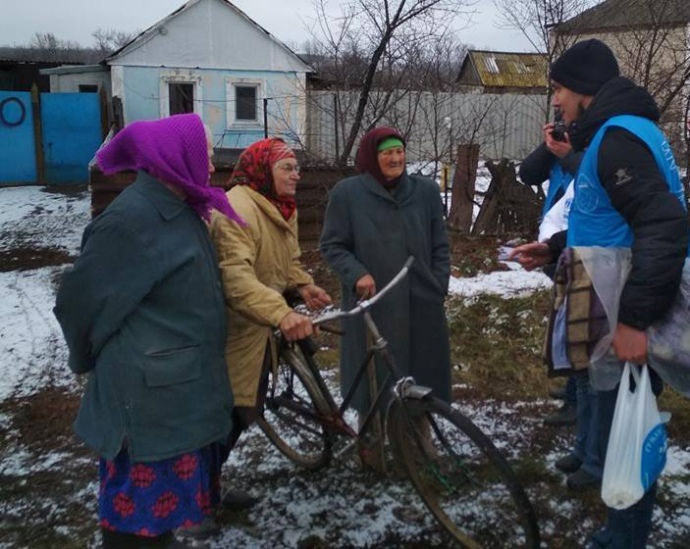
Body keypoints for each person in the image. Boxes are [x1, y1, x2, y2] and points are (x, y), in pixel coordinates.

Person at [509, 39, 688, 548]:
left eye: (559, 89)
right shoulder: (623, 133)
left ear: (583, 88)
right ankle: (621, 531)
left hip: (623, 312)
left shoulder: (617, 140)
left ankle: (622, 540)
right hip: (617, 299)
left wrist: (633, 322)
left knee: (624, 436)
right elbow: (611, 221)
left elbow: (663, 223)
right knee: (624, 430)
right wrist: (554, 247)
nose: (555, 100)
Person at [53, 113, 244, 549]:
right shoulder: (132, 221)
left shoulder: (181, 210)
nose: (211, 166)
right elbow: (79, 304)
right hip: (145, 408)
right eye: (205, 155)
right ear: (177, 157)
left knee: (158, 527)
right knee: (134, 529)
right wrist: (86, 358)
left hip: (175, 400)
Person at [209, 137, 332, 488]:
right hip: (236, 332)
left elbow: (285, 261)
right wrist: (281, 313)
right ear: (263, 170)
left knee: (243, 409)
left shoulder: (280, 207)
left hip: (261, 327)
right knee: (224, 417)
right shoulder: (236, 209)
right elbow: (235, 277)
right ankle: (199, 494)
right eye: (286, 168)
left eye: (297, 167)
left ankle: (207, 485)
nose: (296, 175)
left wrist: (301, 285)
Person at [319, 127, 452, 429]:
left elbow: (440, 243)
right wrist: (357, 274)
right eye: (387, 153)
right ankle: (370, 436)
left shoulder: (425, 191)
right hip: (375, 302)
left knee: (422, 375)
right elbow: (332, 245)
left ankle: (419, 437)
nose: (395, 159)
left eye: (399, 151)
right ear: (372, 157)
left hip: (422, 299)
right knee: (374, 380)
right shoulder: (348, 194)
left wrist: (439, 283)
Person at [520, 116, 581, 430]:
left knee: (577, 321)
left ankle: (576, 398)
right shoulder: (559, 149)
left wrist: (569, 154)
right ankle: (573, 385)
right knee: (566, 318)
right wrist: (548, 147)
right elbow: (527, 174)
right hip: (555, 240)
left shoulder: (589, 152)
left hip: (579, 239)